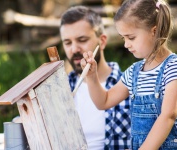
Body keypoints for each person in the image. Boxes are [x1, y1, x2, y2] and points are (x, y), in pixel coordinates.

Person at [80, 0, 177, 150]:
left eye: (131, 38)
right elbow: (104, 101)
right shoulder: (134, 72)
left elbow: (167, 117)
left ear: (154, 31)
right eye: (123, 38)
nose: (126, 44)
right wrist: (92, 76)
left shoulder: (173, 68)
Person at [59, 6, 131, 150]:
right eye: (67, 43)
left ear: (102, 41)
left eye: (82, 40)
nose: (74, 49)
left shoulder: (130, 85)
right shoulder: (59, 91)